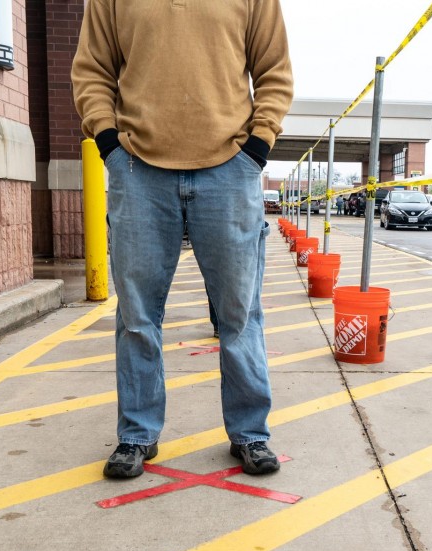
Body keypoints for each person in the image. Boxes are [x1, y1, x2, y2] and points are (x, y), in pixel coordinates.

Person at [73, 0, 293, 478]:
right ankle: (136, 434)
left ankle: (251, 433)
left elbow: (274, 71)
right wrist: (108, 144)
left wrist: (256, 148)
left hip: (231, 171)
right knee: (137, 316)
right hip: (138, 170)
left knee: (239, 314)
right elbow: (92, 71)